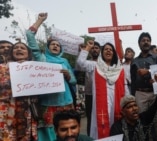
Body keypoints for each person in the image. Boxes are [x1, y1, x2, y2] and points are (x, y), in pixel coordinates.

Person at [26, 12, 77, 141]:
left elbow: (74, 81)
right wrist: (39, 21)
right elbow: (29, 37)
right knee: (49, 134)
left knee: (68, 132)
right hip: (48, 104)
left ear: (61, 50)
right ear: (48, 48)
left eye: (58, 45)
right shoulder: (42, 59)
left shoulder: (65, 62)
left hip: (67, 103)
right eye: (53, 44)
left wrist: (68, 76)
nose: (55, 46)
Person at [77, 41, 129, 139]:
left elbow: (125, 88)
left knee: (117, 128)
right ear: (102, 52)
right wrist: (88, 48)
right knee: (101, 128)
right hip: (100, 108)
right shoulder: (95, 66)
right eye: (106, 49)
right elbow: (80, 63)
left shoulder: (120, 69)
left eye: (110, 49)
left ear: (114, 53)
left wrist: (128, 103)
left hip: (117, 105)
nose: (108, 51)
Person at [130, 32, 157, 141]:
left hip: (155, 93)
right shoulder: (134, 61)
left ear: (150, 43)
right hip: (140, 94)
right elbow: (133, 81)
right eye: (143, 41)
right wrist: (133, 97)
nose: (146, 42)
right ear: (139, 44)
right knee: (142, 121)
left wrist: (148, 72)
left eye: (147, 40)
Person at [110, 73, 157, 141]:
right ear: (123, 112)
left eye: (135, 105)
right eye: (129, 107)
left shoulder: (143, 119)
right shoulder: (117, 128)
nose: (134, 109)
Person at [0, 42, 38, 140]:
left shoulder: (36, 69)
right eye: (16, 48)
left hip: (26, 110)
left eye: (22, 48)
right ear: (12, 53)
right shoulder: (2, 68)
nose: (19, 49)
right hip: (5, 110)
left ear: (28, 54)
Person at [78, 41, 101, 136]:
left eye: (96, 48)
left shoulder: (104, 63)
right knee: (91, 119)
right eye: (93, 48)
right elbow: (80, 64)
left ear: (100, 50)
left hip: (102, 95)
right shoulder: (87, 63)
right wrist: (86, 48)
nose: (94, 49)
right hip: (90, 95)